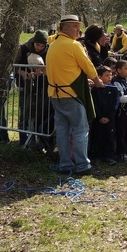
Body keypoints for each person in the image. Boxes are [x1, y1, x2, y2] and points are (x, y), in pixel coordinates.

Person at [46, 14, 103, 175]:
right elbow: (88, 65)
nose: (78, 29)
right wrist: (97, 81)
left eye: (78, 26)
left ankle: (65, 164)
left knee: (62, 131)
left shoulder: (53, 45)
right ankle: (83, 165)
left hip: (56, 93)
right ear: (63, 28)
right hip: (72, 93)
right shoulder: (73, 45)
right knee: (80, 130)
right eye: (74, 26)